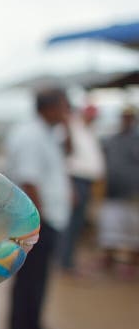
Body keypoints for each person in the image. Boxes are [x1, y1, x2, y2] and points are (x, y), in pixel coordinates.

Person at [3, 88, 71, 329]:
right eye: (65, 106)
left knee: (40, 278)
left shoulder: (47, 133)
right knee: (28, 280)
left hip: (51, 217)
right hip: (37, 221)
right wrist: (37, 223)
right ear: (50, 107)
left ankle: (35, 328)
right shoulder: (31, 135)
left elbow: (65, 157)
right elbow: (29, 180)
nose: (68, 112)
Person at [58, 104, 105, 274]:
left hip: (86, 181)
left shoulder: (89, 131)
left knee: (77, 223)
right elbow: (65, 160)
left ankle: (67, 259)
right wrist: (70, 188)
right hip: (75, 181)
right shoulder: (72, 128)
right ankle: (65, 262)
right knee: (71, 223)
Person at [95, 106, 139, 278]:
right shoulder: (111, 140)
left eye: (129, 117)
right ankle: (109, 261)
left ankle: (133, 265)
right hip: (112, 193)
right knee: (110, 230)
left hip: (134, 195)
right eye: (124, 117)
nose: (126, 120)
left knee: (134, 232)